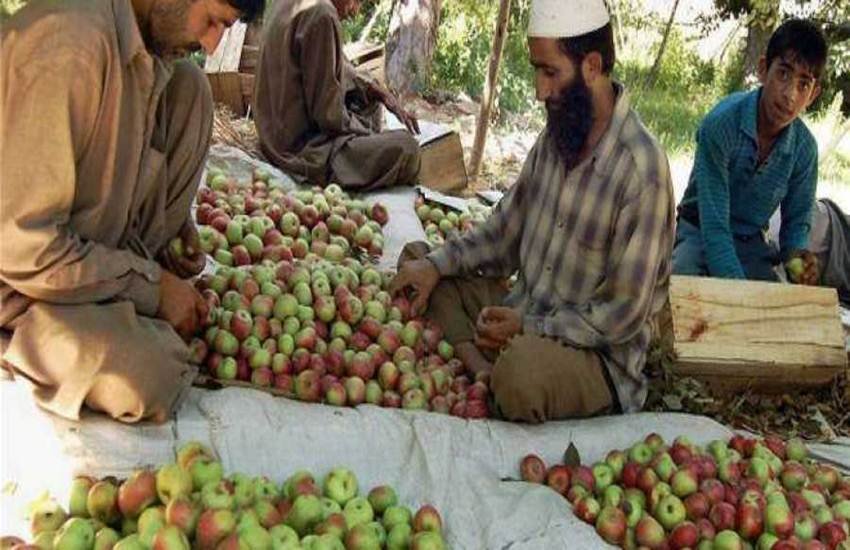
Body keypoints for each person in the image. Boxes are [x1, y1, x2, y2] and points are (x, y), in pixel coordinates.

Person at [390, 0, 674, 422]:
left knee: (522, 377)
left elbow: (622, 316)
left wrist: (528, 327)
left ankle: (493, 368)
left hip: (591, 356)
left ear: (592, 66)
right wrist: (437, 264)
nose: (540, 90)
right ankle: (483, 369)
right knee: (419, 261)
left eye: (550, 72)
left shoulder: (641, 171)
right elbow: (502, 234)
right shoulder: (558, 134)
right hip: (526, 309)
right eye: (536, 70)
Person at [0, 0, 263, 423]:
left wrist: (174, 224)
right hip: (20, 282)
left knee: (191, 87)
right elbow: (19, 247)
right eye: (212, 20)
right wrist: (152, 287)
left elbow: (126, 155)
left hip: (88, 246)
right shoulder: (71, 46)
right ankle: (37, 335)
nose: (213, 44)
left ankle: (113, 293)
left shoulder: (144, 45)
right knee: (147, 375)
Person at [672, 19, 827, 284]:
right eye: (783, 74)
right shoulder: (721, 124)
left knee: (776, 309)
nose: (790, 95)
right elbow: (715, 226)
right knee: (682, 290)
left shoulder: (804, 150)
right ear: (763, 69)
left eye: (803, 84)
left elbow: (795, 228)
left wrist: (799, 263)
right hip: (699, 229)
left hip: (750, 242)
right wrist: (740, 293)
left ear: (813, 95)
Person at [253, 0, 421, 190]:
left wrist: (375, 90)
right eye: (356, 2)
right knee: (408, 148)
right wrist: (364, 130)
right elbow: (329, 117)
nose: (354, 13)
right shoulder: (322, 13)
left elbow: (340, 67)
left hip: (275, 136)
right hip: (301, 151)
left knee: (369, 100)